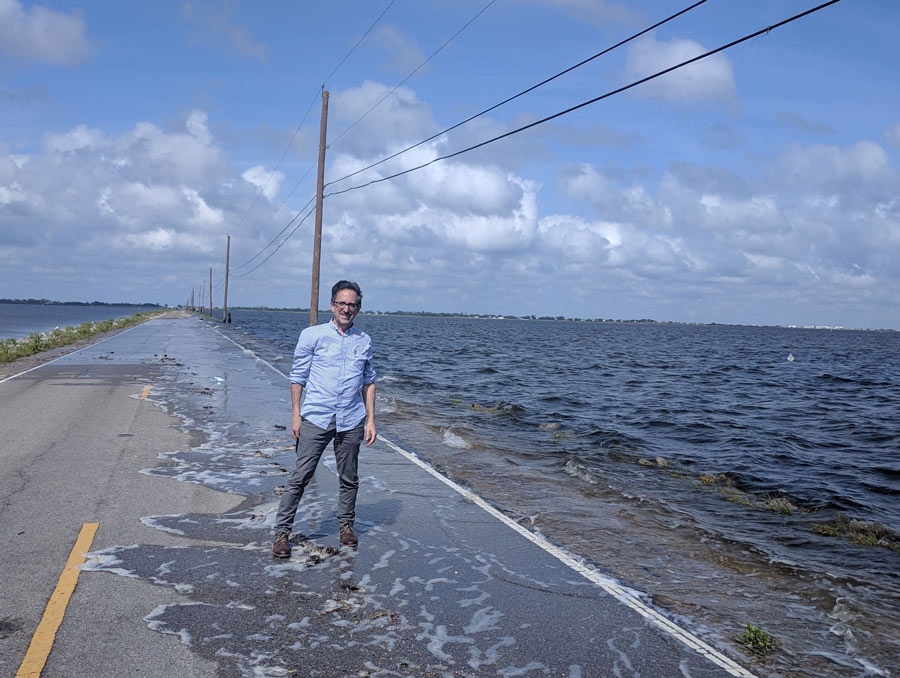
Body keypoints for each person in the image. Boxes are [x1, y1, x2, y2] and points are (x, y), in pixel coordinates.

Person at [272, 280, 376, 557]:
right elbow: (297, 378)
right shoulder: (312, 335)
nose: (346, 308)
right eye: (341, 303)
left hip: (352, 419)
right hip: (316, 417)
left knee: (349, 477)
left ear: (358, 308)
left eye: (352, 304)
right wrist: (296, 415)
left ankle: (346, 527)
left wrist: (371, 421)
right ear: (332, 305)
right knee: (300, 476)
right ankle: (282, 533)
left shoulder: (364, 340)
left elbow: (369, 382)